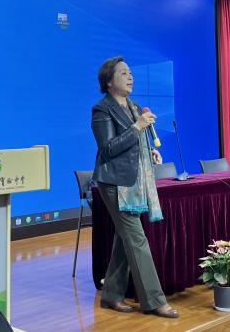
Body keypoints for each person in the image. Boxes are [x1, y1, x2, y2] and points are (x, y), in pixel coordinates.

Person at [91, 56, 179, 318]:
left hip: (134, 181)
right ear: (109, 81)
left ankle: (111, 295)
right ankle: (154, 300)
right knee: (137, 238)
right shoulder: (102, 109)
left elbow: (134, 142)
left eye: (130, 72)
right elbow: (108, 149)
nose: (130, 77)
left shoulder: (134, 106)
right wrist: (138, 126)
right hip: (114, 182)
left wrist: (148, 151)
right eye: (123, 73)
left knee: (125, 238)